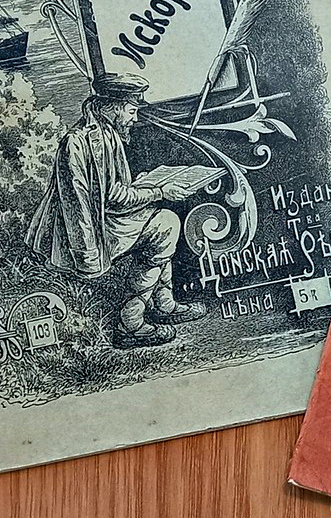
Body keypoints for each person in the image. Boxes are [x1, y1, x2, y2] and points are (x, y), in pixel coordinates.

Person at [24, 73, 209, 348]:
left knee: (164, 222)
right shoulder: (90, 140)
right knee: (166, 224)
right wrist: (159, 191)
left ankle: (163, 304)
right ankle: (130, 324)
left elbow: (110, 189)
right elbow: (113, 197)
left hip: (100, 219)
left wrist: (146, 185)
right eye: (131, 111)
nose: (134, 118)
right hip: (90, 230)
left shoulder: (102, 131)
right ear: (113, 108)